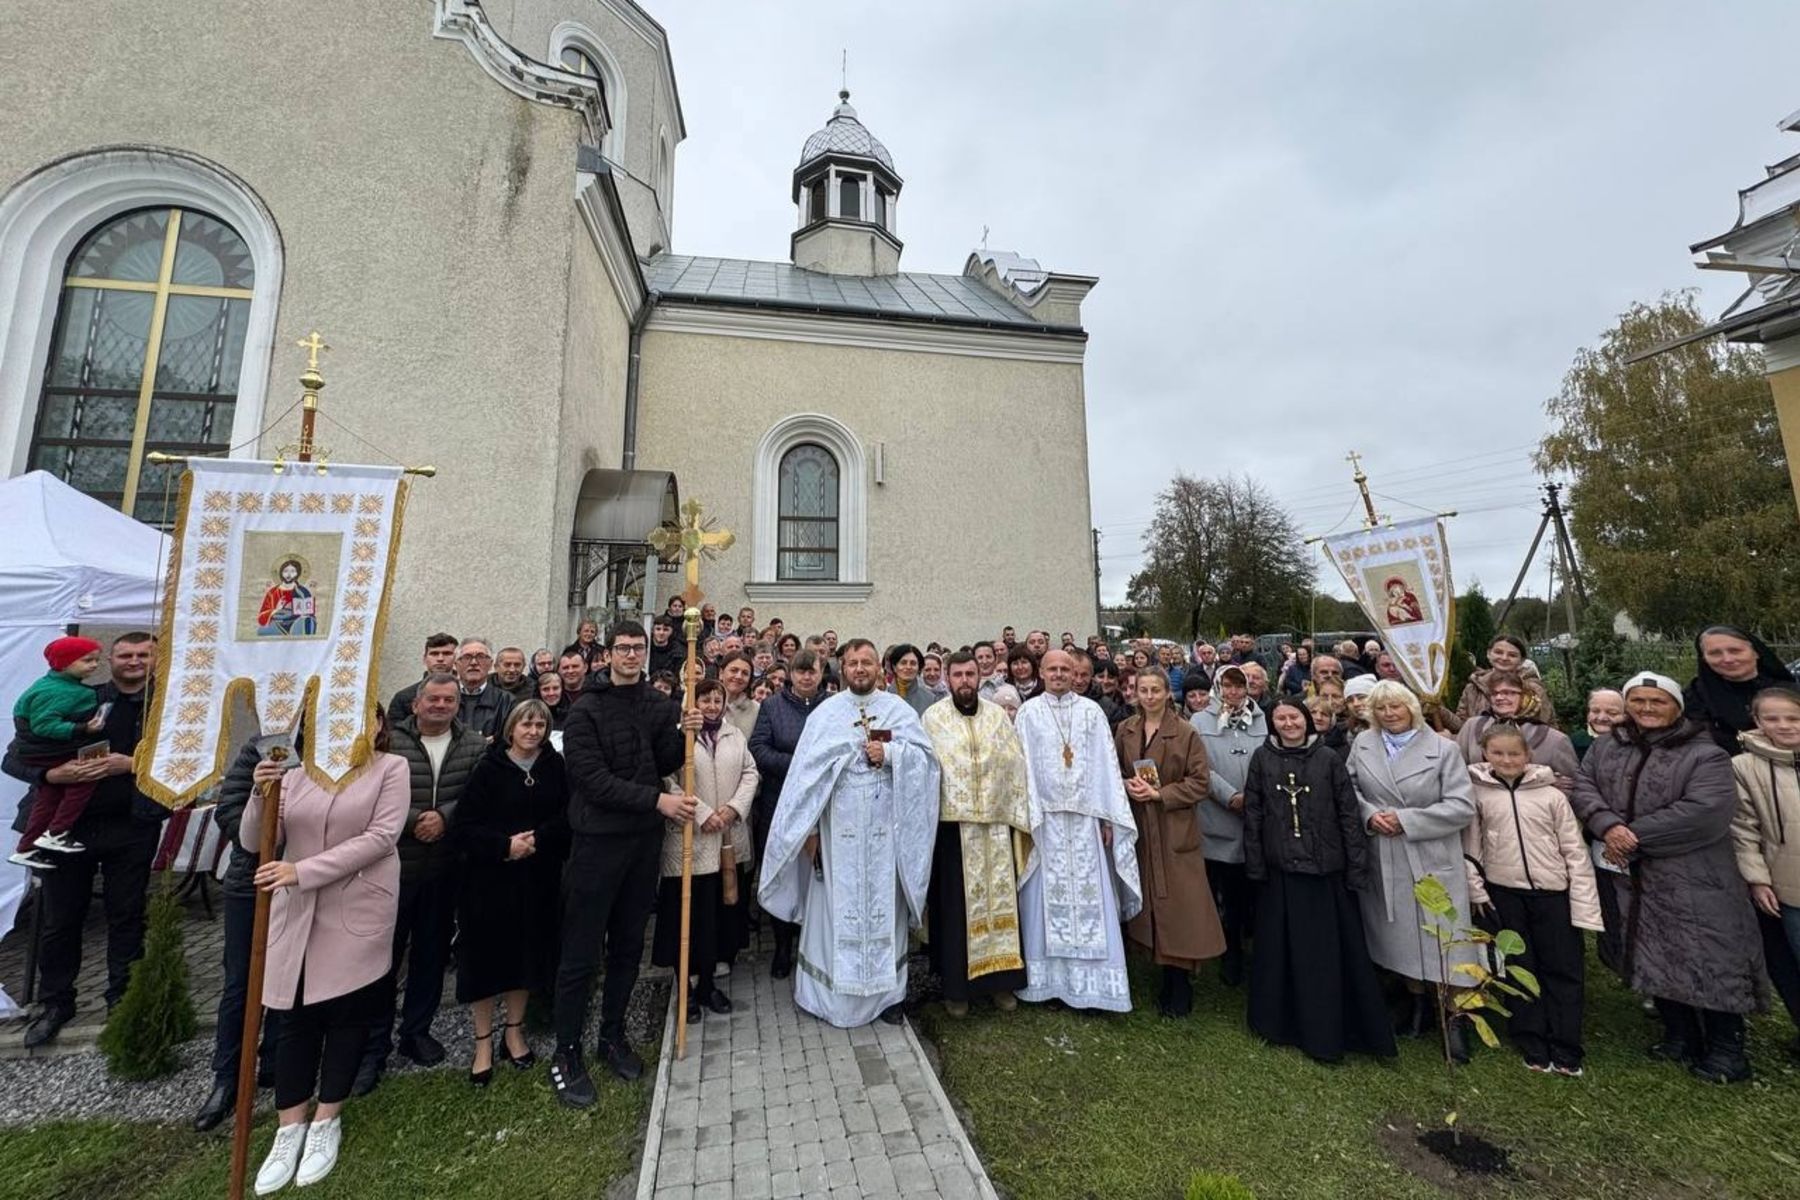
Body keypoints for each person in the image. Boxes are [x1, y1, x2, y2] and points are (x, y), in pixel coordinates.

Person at [1573, 672, 1764, 1083]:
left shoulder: (1703, 754)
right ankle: (1679, 1033)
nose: (1646, 709)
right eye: (1638, 701)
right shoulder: (1609, 746)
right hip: (1629, 873)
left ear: (1676, 706)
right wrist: (1608, 825)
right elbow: (1584, 785)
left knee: (1707, 953)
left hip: (1690, 873)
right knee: (1648, 948)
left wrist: (1634, 835)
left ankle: (1727, 1048)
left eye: (1656, 701)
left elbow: (1706, 809)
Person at [245, 720, 409, 1194]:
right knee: (293, 1018)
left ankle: (326, 1120)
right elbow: (256, 841)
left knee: (347, 1014)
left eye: (365, 715)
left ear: (378, 724)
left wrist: (304, 871)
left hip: (355, 904)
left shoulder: (390, 768)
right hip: (295, 910)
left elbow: (381, 837)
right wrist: (261, 794)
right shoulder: (294, 772)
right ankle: (289, 1126)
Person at [551, 621, 698, 1105]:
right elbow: (591, 779)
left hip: (641, 846)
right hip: (597, 843)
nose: (631, 655)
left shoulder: (657, 705)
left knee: (628, 946)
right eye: (623, 648)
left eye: (638, 648)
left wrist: (686, 734)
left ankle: (611, 1034)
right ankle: (566, 1050)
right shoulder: (585, 711)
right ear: (606, 654)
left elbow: (662, 761)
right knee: (581, 951)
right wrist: (657, 803)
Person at [759, 640, 940, 1027]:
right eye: (853, 662)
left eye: (867, 662)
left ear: (880, 668)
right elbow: (804, 781)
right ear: (842, 670)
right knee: (833, 913)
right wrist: (808, 837)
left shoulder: (898, 710)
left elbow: (927, 764)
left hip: (884, 837)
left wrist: (891, 755)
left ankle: (889, 998)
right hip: (835, 837)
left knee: (883, 910)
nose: (860, 668)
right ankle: (827, 999)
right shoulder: (825, 714)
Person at [4, 632, 162, 1050]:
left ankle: (122, 1001)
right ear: (109, 659)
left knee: (127, 916)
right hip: (66, 830)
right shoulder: (77, 696)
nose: (134, 661)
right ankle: (56, 1003)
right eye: (125, 654)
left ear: (157, 659)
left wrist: (133, 763)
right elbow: (16, 753)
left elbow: (187, 760)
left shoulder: (168, 709)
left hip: (130, 826)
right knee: (59, 920)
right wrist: (50, 775)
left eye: (144, 655)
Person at [1244, 697, 1394, 1063]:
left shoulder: (1328, 759)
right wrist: (1256, 865)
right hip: (1282, 870)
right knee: (1282, 953)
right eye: (1279, 718)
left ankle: (1328, 1028)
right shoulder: (1263, 759)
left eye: (1293, 717)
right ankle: (1280, 1022)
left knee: (1326, 956)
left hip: (1324, 871)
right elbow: (1254, 813)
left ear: (1307, 720)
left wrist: (1355, 868)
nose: (1287, 724)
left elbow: (1347, 814)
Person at [361, 674, 486, 1091]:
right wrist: (416, 820)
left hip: (445, 867)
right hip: (393, 867)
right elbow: (371, 795)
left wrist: (445, 817)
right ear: (416, 704)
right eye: (433, 699)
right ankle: (373, 1043)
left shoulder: (470, 745)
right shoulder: (390, 743)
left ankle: (416, 1030)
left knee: (431, 954)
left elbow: (476, 794)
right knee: (384, 958)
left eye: (449, 700)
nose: (440, 705)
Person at [1348, 680, 1477, 1062]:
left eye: (1396, 707)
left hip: (1429, 851)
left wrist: (1407, 819)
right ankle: (1415, 1004)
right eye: (1382, 708)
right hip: (1384, 851)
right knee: (1399, 935)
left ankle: (1455, 1017)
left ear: (1412, 709)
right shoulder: (1363, 745)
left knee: (1445, 938)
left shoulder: (1442, 749)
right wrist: (1370, 815)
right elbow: (1349, 789)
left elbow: (1461, 806)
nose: (1389, 714)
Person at [1463, 723, 1601, 1076]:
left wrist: (1583, 902)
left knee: (1562, 967)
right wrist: (1476, 887)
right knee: (1519, 966)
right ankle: (1531, 1038)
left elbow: (1574, 850)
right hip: (1504, 890)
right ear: (1485, 756)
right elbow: (1472, 847)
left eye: (1514, 754)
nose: (1507, 760)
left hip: (1552, 892)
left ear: (1528, 756)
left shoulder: (1551, 796)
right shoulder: (1480, 794)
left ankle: (1566, 1042)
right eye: (1498, 754)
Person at [1014, 649, 1142, 1012]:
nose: (1058, 674)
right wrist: (1029, 816)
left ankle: (1094, 987)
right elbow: (1021, 767)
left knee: (1091, 900)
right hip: (1047, 822)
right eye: (1051, 669)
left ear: (1076, 674)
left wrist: (1105, 817)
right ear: (1041, 672)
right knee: (1043, 900)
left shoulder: (1091, 713)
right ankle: (1047, 983)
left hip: (1086, 822)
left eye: (1065, 669)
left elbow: (1105, 766)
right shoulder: (1028, 713)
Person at [453, 700, 569, 1086]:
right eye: (526, 724)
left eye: (540, 724)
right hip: (491, 880)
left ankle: (514, 1032)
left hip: (538, 875)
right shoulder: (489, 768)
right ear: (511, 729)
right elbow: (465, 825)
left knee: (527, 955)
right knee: (487, 960)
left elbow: (566, 814)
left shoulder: (554, 766)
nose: (533, 731)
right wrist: (505, 846)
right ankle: (483, 1041)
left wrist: (540, 838)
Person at [922, 652, 1032, 1016]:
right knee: (956, 911)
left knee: (1001, 905)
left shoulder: (998, 716)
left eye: (970, 673)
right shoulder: (933, 718)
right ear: (948, 679)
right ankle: (958, 990)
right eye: (958, 675)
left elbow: (1014, 761)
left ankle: (1002, 985)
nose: (965, 681)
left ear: (979, 674)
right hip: (953, 829)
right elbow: (925, 768)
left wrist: (1010, 809)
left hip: (996, 827)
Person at [1116, 668, 1225, 1016]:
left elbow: (1200, 782)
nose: (1148, 696)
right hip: (1140, 828)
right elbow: (1115, 769)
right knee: (1149, 899)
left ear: (1167, 693)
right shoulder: (1126, 730)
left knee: (1181, 904)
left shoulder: (1186, 733)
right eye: (1142, 690)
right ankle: (1156, 964)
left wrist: (1160, 793)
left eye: (1155, 690)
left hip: (1173, 827)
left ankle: (1180, 980)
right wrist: (1126, 785)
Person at [654, 679, 757, 1022]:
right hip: (689, 840)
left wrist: (731, 809)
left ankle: (709, 983)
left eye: (717, 700)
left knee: (716, 917)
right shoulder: (679, 734)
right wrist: (701, 813)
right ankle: (685, 986)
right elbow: (668, 779)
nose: (712, 706)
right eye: (705, 700)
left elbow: (750, 772)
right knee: (686, 916)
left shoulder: (733, 735)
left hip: (725, 839)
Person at [747, 649, 827, 979]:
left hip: (822, 806)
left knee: (816, 877)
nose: (807, 677)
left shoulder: (831, 707)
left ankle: (814, 944)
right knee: (784, 873)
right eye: (800, 671)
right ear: (790, 673)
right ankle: (782, 946)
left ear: (822, 674)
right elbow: (759, 748)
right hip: (780, 802)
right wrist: (796, 766)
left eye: (813, 671)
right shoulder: (772, 706)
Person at [1731, 685, 1800, 1057]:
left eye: (1793, 717)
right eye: (1772, 719)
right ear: (1757, 722)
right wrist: (1756, 877)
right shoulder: (1744, 767)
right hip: (1787, 881)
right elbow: (1744, 828)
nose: (1784, 726)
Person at [1190, 665, 1264, 987]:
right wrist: (1230, 796)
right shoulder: (1200, 721)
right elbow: (1198, 767)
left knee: (1249, 893)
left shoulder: (1262, 720)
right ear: (1217, 686)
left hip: (1255, 818)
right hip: (1218, 817)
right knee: (1224, 891)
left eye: (1239, 686)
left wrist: (1255, 797)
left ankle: (1255, 954)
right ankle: (1228, 951)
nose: (1233, 693)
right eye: (1227, 686)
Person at [9, 635, 107, 865]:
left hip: (35, 752)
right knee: (84, 779)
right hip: (47, 751)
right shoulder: (63, 692)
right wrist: (84, 728)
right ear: (64, 663)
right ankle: (57, 832)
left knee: (48, 796)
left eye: (96, 660)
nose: (94, 665)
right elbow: (44, 725)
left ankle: (26, 848)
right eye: (87, 660)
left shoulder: (53, 685)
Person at [1455, 670, 1580, 791]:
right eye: (1494, 693)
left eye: (1509, 693)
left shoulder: (1554, 739)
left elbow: (1571, 786)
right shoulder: (1471, 728)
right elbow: (1455, 771)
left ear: (1525, 696)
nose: (1499, 697)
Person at [1686, 625, 1797, 754]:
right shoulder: (1695, 697)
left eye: (1735, 651)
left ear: (1756, 652)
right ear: (1704, 658)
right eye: (1715, 653)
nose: (1727, 659)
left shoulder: (1790, 692)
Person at [1450, 635, 1554, 730]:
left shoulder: (1533, 689)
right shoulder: (1473, 688)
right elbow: (1462, 727)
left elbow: (1548, 726)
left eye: (1512, 655)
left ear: (1521, 660)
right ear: (1488, 654)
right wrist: (1439, 709)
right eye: (1498, 652)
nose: (1504, 658)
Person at [453, 638, 515, 739]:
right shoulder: (443, 699)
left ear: (491, 664)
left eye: (481, 657)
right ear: (456, 665)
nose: (473, 662)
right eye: (467, 657)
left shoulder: (506, 701)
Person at [388, 632, 458, 717]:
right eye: (434, 654)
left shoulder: (465, 694)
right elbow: (394, 729)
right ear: (424, 659)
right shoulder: (404, 698)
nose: (440, 659)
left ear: (456, 658)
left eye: (447, 654)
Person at [1571, 689, 1625, 761]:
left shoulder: (1635, 744)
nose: (1601, 718)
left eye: (1612, 713)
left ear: (1625, 715)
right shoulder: (1573, 742)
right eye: (1595, 711)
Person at [885, 643, 934, 718]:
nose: (908, 667)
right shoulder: (884, 697)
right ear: (894, 667)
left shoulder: (930, 699)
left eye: (913, 663)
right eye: (903, 663)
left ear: (919, 668)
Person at [718, 653, 759, 739]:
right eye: (733, 670)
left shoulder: (756, 709)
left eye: (745, 673)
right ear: (721, 673)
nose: (739, 676)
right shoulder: (705, 703)